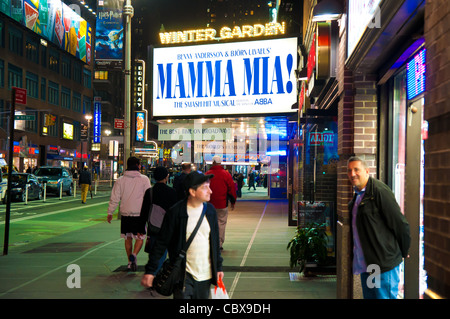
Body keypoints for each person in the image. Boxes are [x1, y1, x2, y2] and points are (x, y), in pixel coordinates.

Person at [141, 171, 224, 299]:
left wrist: (218, 267)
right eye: (205, 187)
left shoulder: (210, 211)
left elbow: (214, 242)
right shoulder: (176, 212)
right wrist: (151, 271)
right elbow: (161, 243)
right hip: (183, 275)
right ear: (192, 192)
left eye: (209, 186)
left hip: (205, 275)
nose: (210, 191)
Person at [347, 156, 411, 299]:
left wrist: (404, 249)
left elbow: (400, 223)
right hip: (368, 265)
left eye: (356, 170)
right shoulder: (358, 197)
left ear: (367, 171)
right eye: (349, 170)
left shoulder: (379, 191)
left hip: (382, 263)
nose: (352, 174)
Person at [107, 156, 151, 271]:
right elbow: (149, 197)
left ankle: (129, 262)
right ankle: (135, 255)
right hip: (139, 214)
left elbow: (115, 197)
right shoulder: (144, 179)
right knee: (140, 237)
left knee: (128, 238)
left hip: (126, 214)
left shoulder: (120, 180)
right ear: (138, 165)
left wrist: (110, 212)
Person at [140, 166, 178, 272]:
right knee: (165, 254)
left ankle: (153, 273)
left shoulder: (150, 192)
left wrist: (141, 228)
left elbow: (144, 211)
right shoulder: (172, 192)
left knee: (154, 253)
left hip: (153, 228)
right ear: (166, 177)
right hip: (168, 229)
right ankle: (156, 276)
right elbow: (175, 212)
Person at [206, 155, 236, 250]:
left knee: (208, 223)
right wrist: (233, 201)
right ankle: (219, 244)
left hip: (209, 204)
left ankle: (209, 242)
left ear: (213, 162)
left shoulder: (207, 174)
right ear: (220, 163)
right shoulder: (226, 174)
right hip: (222, 204)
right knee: (221, 223)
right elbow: (231, 189)